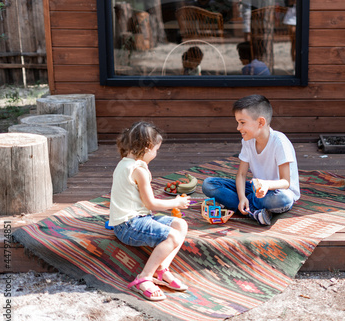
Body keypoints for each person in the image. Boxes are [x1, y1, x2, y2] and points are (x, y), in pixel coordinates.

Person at [108, 121, 190, 301]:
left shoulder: (125, 163)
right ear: (148, 147)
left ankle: (161, 269)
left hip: (137, 219)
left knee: (180, 225)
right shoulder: (138, 170)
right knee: (173, 236)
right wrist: (175, 202)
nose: (156, 153)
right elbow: (151, 203)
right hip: (128, 225)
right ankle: (143, 278)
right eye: (156, 150)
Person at [202, 94, 300, 225]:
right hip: (256, 191)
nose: (238, 128)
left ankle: (246, 208)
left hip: (276, 192)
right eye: (237, 123)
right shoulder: (248, 141)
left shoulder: (279, 142)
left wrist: (267, 185)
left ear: (260, 122)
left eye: (242, 123)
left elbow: (286, 182)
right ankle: (254, 211)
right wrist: (242, 197)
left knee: (284, 198)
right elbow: (241, 174)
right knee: (208, 184)